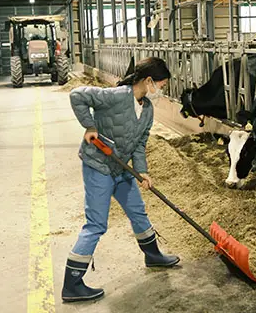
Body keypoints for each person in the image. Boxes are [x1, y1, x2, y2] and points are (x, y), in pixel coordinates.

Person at [63, 57, 179, 303]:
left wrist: (143, 171)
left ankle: (153, 255)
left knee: (138, 212)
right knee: (96, 224)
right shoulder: (115, 96)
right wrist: (90, 126)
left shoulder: (147, 109)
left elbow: (139, 143)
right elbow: (77, 95)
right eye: (162, 85)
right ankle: (72, 283)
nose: (162, 91)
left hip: (122, 168)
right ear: (149, 81)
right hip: (99, 166)